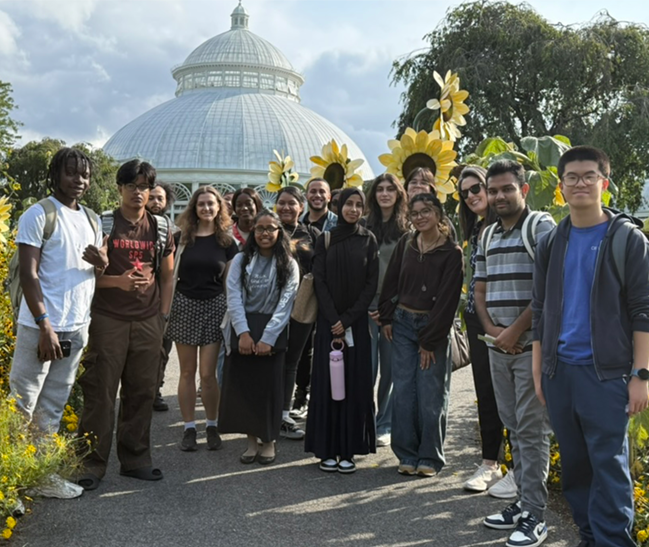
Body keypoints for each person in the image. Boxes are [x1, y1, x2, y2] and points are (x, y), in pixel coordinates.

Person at [532, 146, 649, 547]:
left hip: (607, 374)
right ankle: (588, 537)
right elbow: (540, 308)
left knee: (609, 466)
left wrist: (641, 375)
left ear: (604, 182)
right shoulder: (552, 242)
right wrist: (539, 368)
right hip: (559, 372)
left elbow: (643, 311)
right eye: (572, 177)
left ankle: (614, 541)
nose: (580, 183)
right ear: (561, 187)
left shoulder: (627, 240)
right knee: (577, 469)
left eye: (588, 176)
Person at [9, 147, 106, 498]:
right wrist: (45, 324)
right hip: (41, 326)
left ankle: (41, 475)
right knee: (22, 403)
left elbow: (95, 265)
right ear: (56, 175)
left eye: (84, 174)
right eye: (71, 172)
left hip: (77, 324)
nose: (79, 179)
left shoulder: (93, 218)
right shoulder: (39, 215)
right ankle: (10, 485)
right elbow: (30, 275)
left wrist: (102, 261)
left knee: (52, 404)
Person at [77, 159, 174, 491]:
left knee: (142, 391)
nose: (138, 192)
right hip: (109, 319)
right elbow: (85, 277)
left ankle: (135, 460)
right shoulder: (102, 223)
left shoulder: (160, 228)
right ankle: (90, 463)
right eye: (131, 186)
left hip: (148, 320)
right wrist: (117, 282)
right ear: (119, 189)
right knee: (101, 392)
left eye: (144, 186)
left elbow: (167, 274)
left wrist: (161, 316)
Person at [474, 160, 555, 547]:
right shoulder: (487, 235)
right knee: (513, 425)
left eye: (507, 188)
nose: (499, 196)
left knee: (532, 429)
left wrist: (514, 332)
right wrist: (493, 332)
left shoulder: (540, 227)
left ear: (523, 189)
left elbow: (547, 289)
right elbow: (478, 289)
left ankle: (536, 516)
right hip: (498, 348)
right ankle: (523, 503)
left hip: (531, 348)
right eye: (493, 190)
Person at [379, 193, 462, 477]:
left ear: (438, 214)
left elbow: (449, 300)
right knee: (403, 390)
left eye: (426, 211)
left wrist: (430, 340)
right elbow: (391, 282)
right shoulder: (407, 243)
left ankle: (429, 455)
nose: (420, 217)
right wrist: (386, 317)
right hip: (401, 323)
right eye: (414, 213)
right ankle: (407, 453)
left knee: (431, 393)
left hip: (433, 328)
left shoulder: (451, 252)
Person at [305, 188, 378, 474]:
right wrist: (333, 318)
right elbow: (319, 281)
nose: (354, 210)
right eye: (349, 203)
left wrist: (347, 319)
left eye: (359, 205)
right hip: (327, 322)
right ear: (339, 205)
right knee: (327, 385)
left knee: (354, 385)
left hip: (356, 325)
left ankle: (349, 450)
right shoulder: (326, 239)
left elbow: (370, 284)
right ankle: (327, 449)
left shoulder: (368, 239)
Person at [218, 211, 299, 465]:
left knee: (269, 390)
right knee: (245, 389)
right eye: (260, 228)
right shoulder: (242, 260)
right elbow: (233, 297)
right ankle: (251, 441)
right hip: (244, 330)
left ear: (279, 232)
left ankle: (269, 441)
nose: (265, 233)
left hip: (271, 335)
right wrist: (242, 332)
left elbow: (286, 304)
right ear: (253, 232)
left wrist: (268, 338)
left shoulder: (289, 263)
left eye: (271, 228)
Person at [167, 187, 238, 451]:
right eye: (201, 204)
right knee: (187, 371)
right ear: (194, 209)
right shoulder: (181, 238)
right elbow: (168, 275)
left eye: (211, 204)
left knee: (208, 374)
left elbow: (230, 282)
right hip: (184, 306)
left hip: (214, 307)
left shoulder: (227, 243)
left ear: (219, 208)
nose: (206, 208)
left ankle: (211, 424)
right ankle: (188, 428)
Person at [457, 166, 507, 495]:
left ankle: (520, 468)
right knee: (486, 393)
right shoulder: (475, 230)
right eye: (466, 193)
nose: (473, 195)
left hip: (508, 318)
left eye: (477, 188)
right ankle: (490, 464)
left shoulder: (510, 225)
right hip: (478, 318)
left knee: (514, 398)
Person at [364, 174, 409, 448]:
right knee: (366, 368)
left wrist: (390, 306)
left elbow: (408, 273)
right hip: (366, 307)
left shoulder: (406, 229)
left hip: (394, 307)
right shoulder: (363, 225)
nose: (384, 194)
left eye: (390, 189)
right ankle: (365, 421)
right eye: (379, 189)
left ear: (398, 194)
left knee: (391, 370)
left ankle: (385, 424)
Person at [276, 187, 320, 440]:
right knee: (272, 357)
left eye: (291, 203)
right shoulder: (269, 229)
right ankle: (266, 412)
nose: (286, 208)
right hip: (272, 305)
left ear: (301, 207)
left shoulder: (311, 233)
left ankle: (283, 414)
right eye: (281, 203)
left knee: (293, 359)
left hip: (302, 305)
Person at [292, 178, 338, 416]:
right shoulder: (297, 224)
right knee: (304, 346)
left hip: (332, 292)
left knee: (330, 344)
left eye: (322, 191)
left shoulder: (338, 224)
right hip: (304, 293)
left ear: (329, 196)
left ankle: (328, 395)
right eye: (313, 191)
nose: (317, 195)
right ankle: (302, 392)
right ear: (306, 196)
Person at [146, 182, 178, 412]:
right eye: (152, 197)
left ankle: (155, 389)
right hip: (137, 297)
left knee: (161, 349)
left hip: (163, 298)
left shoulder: (171, 230)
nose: (156, 203)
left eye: (161, 199)